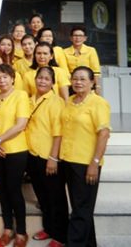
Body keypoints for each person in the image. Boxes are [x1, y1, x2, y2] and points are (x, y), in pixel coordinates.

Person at [60, 66, 111, 246]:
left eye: (82, 79)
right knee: (81, 208)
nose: (78, 82)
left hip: (86, 163)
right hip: (68, 160)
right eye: (75, 79)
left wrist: (94, 163)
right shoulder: (70, 101)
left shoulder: (98, 103)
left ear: (92, 82)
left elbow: (104, 134)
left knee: (81, 210)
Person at [0, 64, 30, 247]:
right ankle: (8, 228)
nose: (2, 81)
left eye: (5, 77)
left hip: (15, 151)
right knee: (3, 190)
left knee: (14, 190)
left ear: (12, 78)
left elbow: (20, 125)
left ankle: (22, 232)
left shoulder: (21, 96)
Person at [25, 67, 68, 247]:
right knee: (42, 196)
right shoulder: (30, 100)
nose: (42, 81)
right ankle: (48, 228)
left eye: (46, 79)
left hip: (48, 156)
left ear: (52, 83)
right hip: (32, 154)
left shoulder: (56, 102)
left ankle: (60, 235)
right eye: (40, 78)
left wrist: (53, 157)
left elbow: (58, 133)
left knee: (56, 197)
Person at [64, 25, 101, 95]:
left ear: (85, 38)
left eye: (80, 36)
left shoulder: (91, 50)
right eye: (75, 35)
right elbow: (65, 71)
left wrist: (97, 86)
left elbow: (96, 71)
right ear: (71, 38)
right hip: (71, 85)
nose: (77, 38)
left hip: (87, 84)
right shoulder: (64, 52)